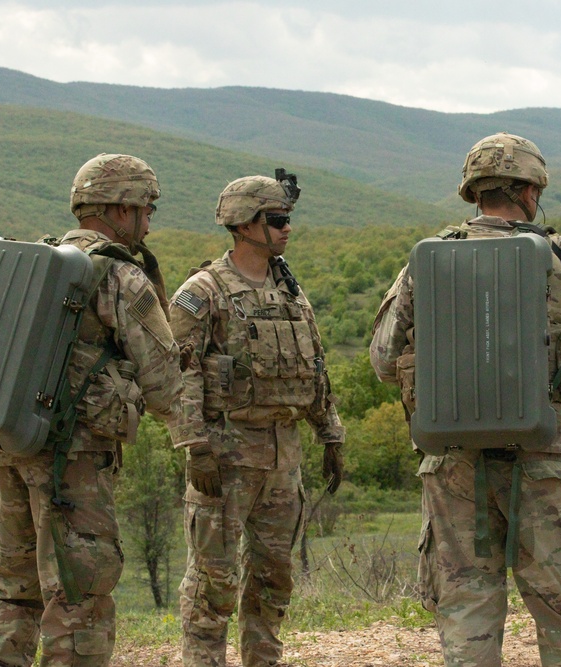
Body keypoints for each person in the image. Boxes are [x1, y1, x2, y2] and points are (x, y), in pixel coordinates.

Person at [370, 132, 561, 667]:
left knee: (467, 610)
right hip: (544, 457)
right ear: (529, 189)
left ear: (474, 190)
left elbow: (383, 362)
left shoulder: (427, 260)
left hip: (452, 465)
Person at [0, 153, 182, 666]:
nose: (149, 222)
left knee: (15, 586)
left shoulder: (35, 261)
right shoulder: (118, 275)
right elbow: (164, 385)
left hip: (7, 445)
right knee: (80, 592)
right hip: (74, 462)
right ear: (119, 208)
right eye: (146, 209)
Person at [167, 170, 345, 667]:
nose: (287, 228)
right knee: (212, 582)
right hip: (225, 455)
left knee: (273, 577)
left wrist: (331, 434)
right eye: (277, 219)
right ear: (244, 224)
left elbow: (314, 364)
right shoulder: (203, 291)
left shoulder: (289, 290)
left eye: (288, 218)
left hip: (282, 454)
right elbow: (180, 371)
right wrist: (194, 445)